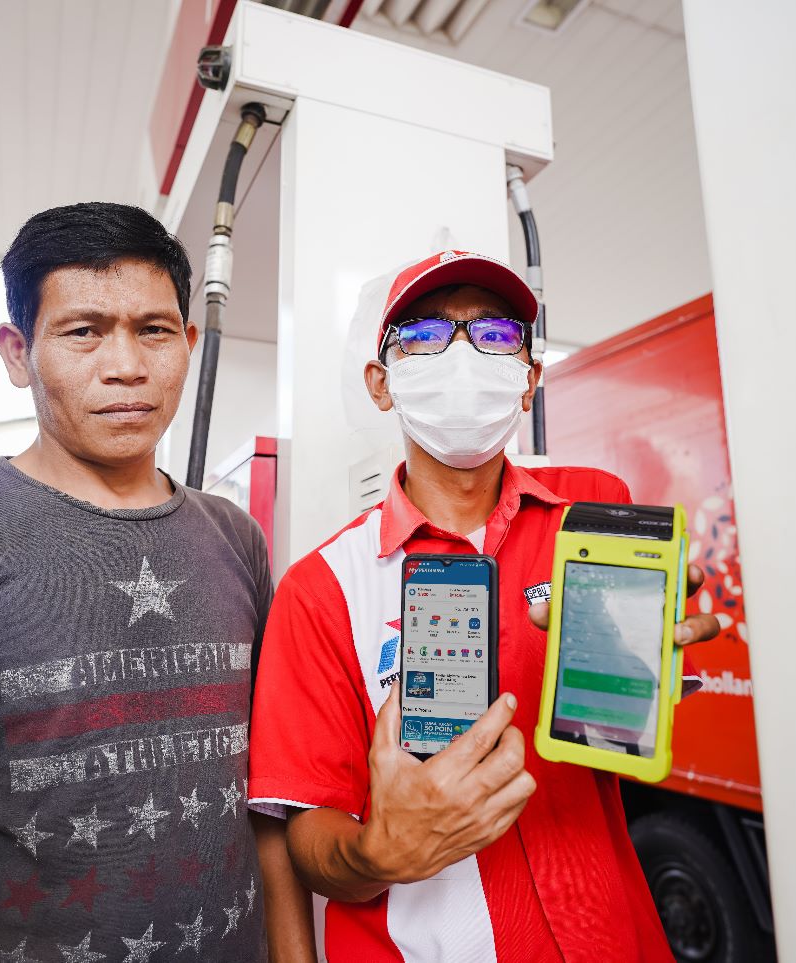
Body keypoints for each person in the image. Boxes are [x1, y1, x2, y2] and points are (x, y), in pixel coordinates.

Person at [0, 203, 314, 963]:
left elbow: (264, 807)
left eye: (153, 330)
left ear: (187, 343)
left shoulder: (234, 535)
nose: (126, 365)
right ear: (18, 353)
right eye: (83, 331)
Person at [248, 250, 722, 961]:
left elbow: (616, 744)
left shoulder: (592, 512)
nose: (464, 356)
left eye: (495, 335)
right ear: (381, 382)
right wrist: (381, 853)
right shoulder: (322, 586)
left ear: (529, 378)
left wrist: (638, 688)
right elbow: (307, 839)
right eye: (425, 335)